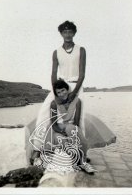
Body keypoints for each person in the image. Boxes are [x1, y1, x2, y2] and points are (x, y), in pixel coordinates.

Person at [29, 21, 86, 166]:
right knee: (44, 113)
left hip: (76, 86)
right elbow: (53, 73)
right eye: (64, 32)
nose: (67, 34)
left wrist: (75, 93)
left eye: (70, 31)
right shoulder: (56, 52)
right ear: (61, 34)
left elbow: (82, 74)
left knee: (79, 118)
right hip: (60, 87)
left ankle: (79, 152)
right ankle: (38, 148)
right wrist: (55, 94)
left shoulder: (81, 50)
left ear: (74, 33)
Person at [49, 79, 97, 174]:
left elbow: (76, 121)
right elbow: (54, 125)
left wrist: (70, 132)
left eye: (63, 90)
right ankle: (77, 160)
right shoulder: (54, 104)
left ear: (67, 89)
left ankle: (83, 162)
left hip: (72, 127)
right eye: (59, 92)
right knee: (63, 140)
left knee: (78, 136)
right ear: (56, 94)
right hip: (59, 129)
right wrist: (63, 132)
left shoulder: (77, 101)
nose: (62, 94)